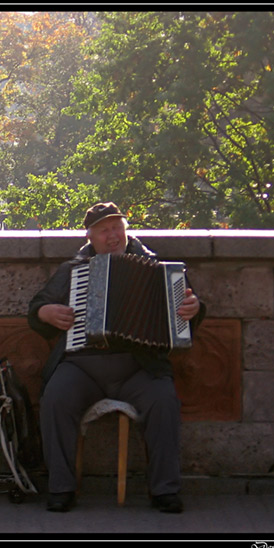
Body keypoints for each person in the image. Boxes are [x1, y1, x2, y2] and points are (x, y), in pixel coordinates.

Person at [27, 202, 206, 514]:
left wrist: (195, 310)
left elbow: (189, 309)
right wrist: (46, 312)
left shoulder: (156, 266)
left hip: (139, 366)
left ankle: (165, 491)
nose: (112, 236)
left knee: (164, 400)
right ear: (90, 238)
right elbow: (36, 309)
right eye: (104, 230)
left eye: (117, 227)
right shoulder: (73, 270)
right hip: (82, 365)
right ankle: (61, 488)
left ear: (126, 229)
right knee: (55, 397)